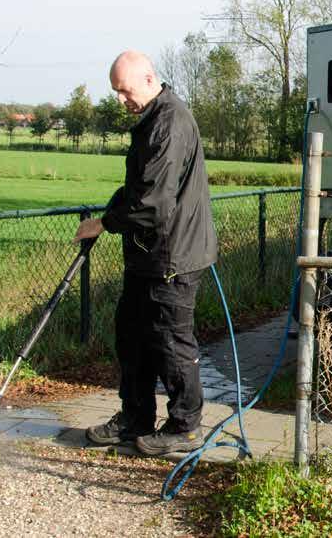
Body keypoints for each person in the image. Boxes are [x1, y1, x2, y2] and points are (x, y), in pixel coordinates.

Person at [74, 50, 217, 455]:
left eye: (125, 90)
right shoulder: (151, 120)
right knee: (132, 337)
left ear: (149, 79)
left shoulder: (170, 123)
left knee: (170, 343)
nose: (121, 100)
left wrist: (104, 223)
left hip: (173, 257)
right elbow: (137, 187)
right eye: (116, 92)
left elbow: (153, 203)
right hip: (147, 256)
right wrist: (111, 210)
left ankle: (185, 426)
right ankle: (135, 416)